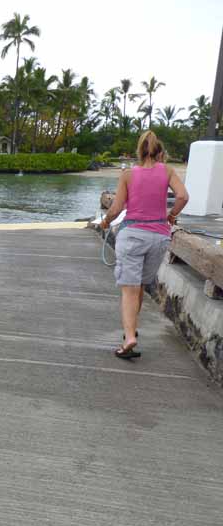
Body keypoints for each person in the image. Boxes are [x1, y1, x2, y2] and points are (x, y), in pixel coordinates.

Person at [100, 130, 189, 359]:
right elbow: (183, 196)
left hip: (133, 236)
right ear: (160, 151)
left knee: (129, 289)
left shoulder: (129, 175)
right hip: (159, 237)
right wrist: (171, 215)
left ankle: (129, 337)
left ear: (140, 152)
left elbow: (117, 207)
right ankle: (131, 329)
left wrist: (106, 220)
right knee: (139, 286)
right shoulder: (168, 171)